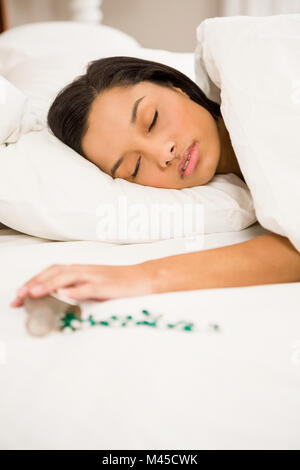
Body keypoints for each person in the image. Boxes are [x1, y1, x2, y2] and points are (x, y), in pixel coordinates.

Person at [10, 57, 300, 307]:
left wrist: (144, 276)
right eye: (134, 167)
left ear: (174, 86)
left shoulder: (266, 90)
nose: (163, 153)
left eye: (152, 120)